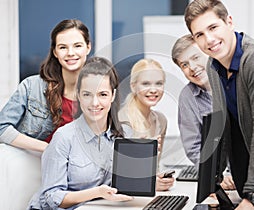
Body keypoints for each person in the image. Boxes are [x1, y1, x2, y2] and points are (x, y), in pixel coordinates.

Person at [184, 0, 254, 210]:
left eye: (213, 27)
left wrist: (253, 195)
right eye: (199, 35)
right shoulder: (214, 66)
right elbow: (224, 128)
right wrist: (213, 181)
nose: (208, 39)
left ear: (229, 22)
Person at [27, 57, 133, 210]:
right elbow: (51, 197)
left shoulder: (124, 134)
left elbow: (124, 183)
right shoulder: (64, 137)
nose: (94, 103)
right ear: (78, 95)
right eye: (87, 94)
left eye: (102, 94)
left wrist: (148, 181)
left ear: (113, 96)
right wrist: (97, 192)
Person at [0, 19, 91, 152]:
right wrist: (50, 148)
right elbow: (2, 129)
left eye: (77, 46)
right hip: (33, 166)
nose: (70, 53)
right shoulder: (31, 86)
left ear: (88, 47)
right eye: (63, 47)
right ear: (55, 52)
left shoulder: (98, 93)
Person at [171, 34, 235, 191]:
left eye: (196, 58)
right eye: (184, 65)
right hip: (221, 181)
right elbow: (194, 148)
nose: (192, 67)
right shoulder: (187, 96)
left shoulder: (235, 81)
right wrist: (219, 175)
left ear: (209, 55)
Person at [118, 58, 174, 191]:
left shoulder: (161, 120)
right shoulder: (122, 121)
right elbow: (119, 175)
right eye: (146, 83)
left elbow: (153, 168)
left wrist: (159, 178)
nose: (153, 90)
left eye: (159, 83)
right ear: (133, 86)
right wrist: (148, 183)